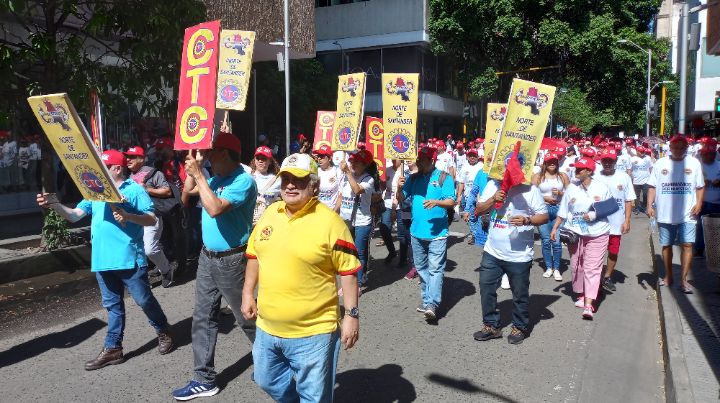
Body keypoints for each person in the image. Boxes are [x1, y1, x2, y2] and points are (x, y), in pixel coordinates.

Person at [37, 150, 174, 370]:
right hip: (102, 259)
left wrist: (128, 216)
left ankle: (163, 329)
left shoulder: (135, 190)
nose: (96, 172)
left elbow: (151, 219)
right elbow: (74, 215)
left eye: (102, 167)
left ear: (116, 168)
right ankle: (113, 349)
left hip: (129, 259)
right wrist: (54, 204)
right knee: (112, 306)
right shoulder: (94, 192)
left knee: (144, 300)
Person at [240, 153, 360, 403]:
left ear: (314, 185)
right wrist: (246, 293)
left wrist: (351, 315)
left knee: (314, 397)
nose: (291, 185)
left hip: (314, 333)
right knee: (265, 379)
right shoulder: (270, 213)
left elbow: (348, 272)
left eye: (299, 180)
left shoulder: (331, 223)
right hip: (267, 327)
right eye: (286, 179)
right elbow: (254, 254)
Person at [172, 132, 257, 401]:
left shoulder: (243, 180)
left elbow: (215, 208)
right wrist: (194, 168)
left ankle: (270, 358)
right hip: (208, 258)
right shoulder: (216, 178)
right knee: (203, 317)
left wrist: (199, 174)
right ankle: (204, 378)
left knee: (246, 317)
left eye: (211, 151)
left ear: (225, 154)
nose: (206, 155)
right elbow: (186, 197)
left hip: (232, 260)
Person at [472, 169, 548, 344]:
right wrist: (493, 199)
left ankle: (519, 326)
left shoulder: (531, 189)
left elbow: (544, 216)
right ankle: (491, 326)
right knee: (486, 288)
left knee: (519, 294)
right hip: (492, 250)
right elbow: (478, 209)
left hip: (519, 255)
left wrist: (527, 220)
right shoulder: (493, 185)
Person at [397, 146, 456, 321]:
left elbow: (451, 201)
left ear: (432, 161)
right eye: (419, 159)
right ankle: (426, 299)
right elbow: (401, 199)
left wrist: (437, 202)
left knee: (436, 269)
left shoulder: (445, 177)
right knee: (422, 268)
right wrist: (399, 188)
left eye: (422, 160)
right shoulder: (413, 178)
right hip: (416, 232)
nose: (419, 162)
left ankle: (432, 303)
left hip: (438, 233)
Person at [550, 157, 612, 320]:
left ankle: (589, 304)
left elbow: (612, 207)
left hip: (598, 233)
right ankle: (580, 293)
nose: (576, 171)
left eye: (580, 169)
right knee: (577, 265)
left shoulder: (602, 187)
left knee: (592, 268)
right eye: (575, 169)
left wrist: (594, 214)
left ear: (589, 171)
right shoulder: (571, 188)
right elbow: (563, 211)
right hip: (575, 233)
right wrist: (555, 227)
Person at [647, 135, 705, 294]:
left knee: (687, 245)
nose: (679, 150)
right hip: (665, 212)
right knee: (667, 245)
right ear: (670, 148)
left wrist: (699, 203)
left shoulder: (694, 163)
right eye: (675, 147)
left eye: (682, 147)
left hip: (688, 213)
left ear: (687, 148)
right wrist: (649, 205)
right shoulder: (660, 163)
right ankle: (668, 275)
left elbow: (700, 186)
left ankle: (684, 280)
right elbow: (652, 186)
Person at [125, 146, 179, 287]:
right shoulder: (129, 176)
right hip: (134, 218)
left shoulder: (153, 173)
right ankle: (143, 280)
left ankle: (167, 270)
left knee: (150, 249)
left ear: (142, 159)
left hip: (151, 216)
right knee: (137, 250)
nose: (128, 160)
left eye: (132, 157)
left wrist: (146, 189)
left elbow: (167, 191)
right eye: (127, 157)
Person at [594, 149, 635, 292]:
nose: (607, 163)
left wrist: (627, 220)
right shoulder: (594, 176)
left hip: (616, 223)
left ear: (615, 162)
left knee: (613, 252)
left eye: (610, 160)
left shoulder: (624, 177)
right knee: (596, 252)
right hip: (597, 223)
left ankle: (607, 276)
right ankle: (594, 277)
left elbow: (628, 200)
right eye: (604, 160)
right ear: (600, 161)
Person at [337, 149, 379, 287]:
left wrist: (348, 172)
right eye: (352, 161)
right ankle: (349, 279)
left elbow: (357, 190)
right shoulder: (345, 176)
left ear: (365, 164)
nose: (353, 164)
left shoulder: (369, 179)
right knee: (347, 252)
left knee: (359, 252)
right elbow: (341, 196)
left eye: (357, 162)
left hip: (362, 221)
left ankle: (359, 282)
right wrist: (333, 212)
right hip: (346, 220)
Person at [532, 152, 569, 281]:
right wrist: (545, 197)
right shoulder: (538, 177)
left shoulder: (562, 176)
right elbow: (531, 194)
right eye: (549, 161)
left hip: (559, 209)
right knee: (546, 240)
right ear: (545, 163)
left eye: (554, 161)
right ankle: (548, 267)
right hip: (543, 210)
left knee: (557, 241)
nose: (552, 163)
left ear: (558, 163)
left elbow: (571, 194)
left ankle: (557, 268)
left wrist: (561, 193)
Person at [696, 139, 720, 256]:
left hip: (717, 204)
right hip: (702, 202)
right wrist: (701, 182)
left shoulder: (719, 165)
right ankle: (699, 249)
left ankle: (713, 251)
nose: (703, 156)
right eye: (703, 154)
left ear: (713, 155)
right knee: (700, 227)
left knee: (715, 229)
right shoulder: (698, 166)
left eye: (706, 154)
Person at [457, 148, 483, 244]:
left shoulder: (482, 166)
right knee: (471, 217)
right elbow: (461, 183)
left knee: (480, 217)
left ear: (477, 157)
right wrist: (459, 196)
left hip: (481, 197)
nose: (472, 157)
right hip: (468, 197)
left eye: (474, 156)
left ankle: (481, 235)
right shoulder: (464, 167)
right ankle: (474, 234)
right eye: (470, 155)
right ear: (467, 157)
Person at [250, 145, 281, 225]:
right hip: (247, 219)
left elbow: (270, 197)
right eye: (258, 158)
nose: (260, 161)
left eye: (263, 159)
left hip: (266, 220)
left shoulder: (276, 180)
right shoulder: (247, 176)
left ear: (270, 161)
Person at [376, 159, 399, 263]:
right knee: (384, 227)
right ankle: (392, 251)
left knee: (403, 234)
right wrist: (380, 181)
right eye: (392, 158)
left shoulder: (405, 170)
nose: (394, 160)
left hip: (401, 203)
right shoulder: (387, 170)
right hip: (388, 201)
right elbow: (383, 186)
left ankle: (405, 256)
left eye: (396, 158)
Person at [314, 144, 343, 211]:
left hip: (332, 211)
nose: (319, 158)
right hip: (318, 210)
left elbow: (341, 195)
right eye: (318, 156)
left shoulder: (337, 171)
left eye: (322, 156)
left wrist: (334, 212)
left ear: (330, 158)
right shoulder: (315, 171)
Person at [631, 146, 653, 214]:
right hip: (636, 181)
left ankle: (645, 207)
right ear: (637, 152)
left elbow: (650, 168)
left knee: (646, 194)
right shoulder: (632, 159)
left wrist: (652, 178)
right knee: (636, 196)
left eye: (643, 151)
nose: (642, 153)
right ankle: (637, 208)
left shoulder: (648, 158)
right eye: (641, 152)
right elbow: (630, 169)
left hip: (646, 180)